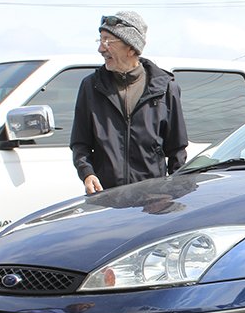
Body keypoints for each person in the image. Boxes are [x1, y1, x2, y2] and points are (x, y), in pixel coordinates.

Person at [71, 11, 188, 194]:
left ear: (131, 48)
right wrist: (87, 173)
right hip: (105, 200)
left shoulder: (165, 87)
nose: (101, 49)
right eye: (100, 40)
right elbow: (80, 144)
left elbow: (177, 152)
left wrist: (174, 194)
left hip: (152, 204)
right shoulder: (91, 87)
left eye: (108, 41)